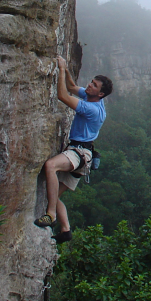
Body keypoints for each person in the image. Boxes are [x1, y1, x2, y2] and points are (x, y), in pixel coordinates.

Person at [34, 55, 113, 242]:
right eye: (91, 82)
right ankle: (66, 230)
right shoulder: (92, 97)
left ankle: (50, 215)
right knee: (54, 195)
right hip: (84, 157)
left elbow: (63, 95)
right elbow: (70, 87)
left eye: (94, 85)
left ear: (100, 94)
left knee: (51, 166)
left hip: (78, 153)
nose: (89, 85)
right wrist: (67, 71)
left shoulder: (92, 109)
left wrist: (61, 70)